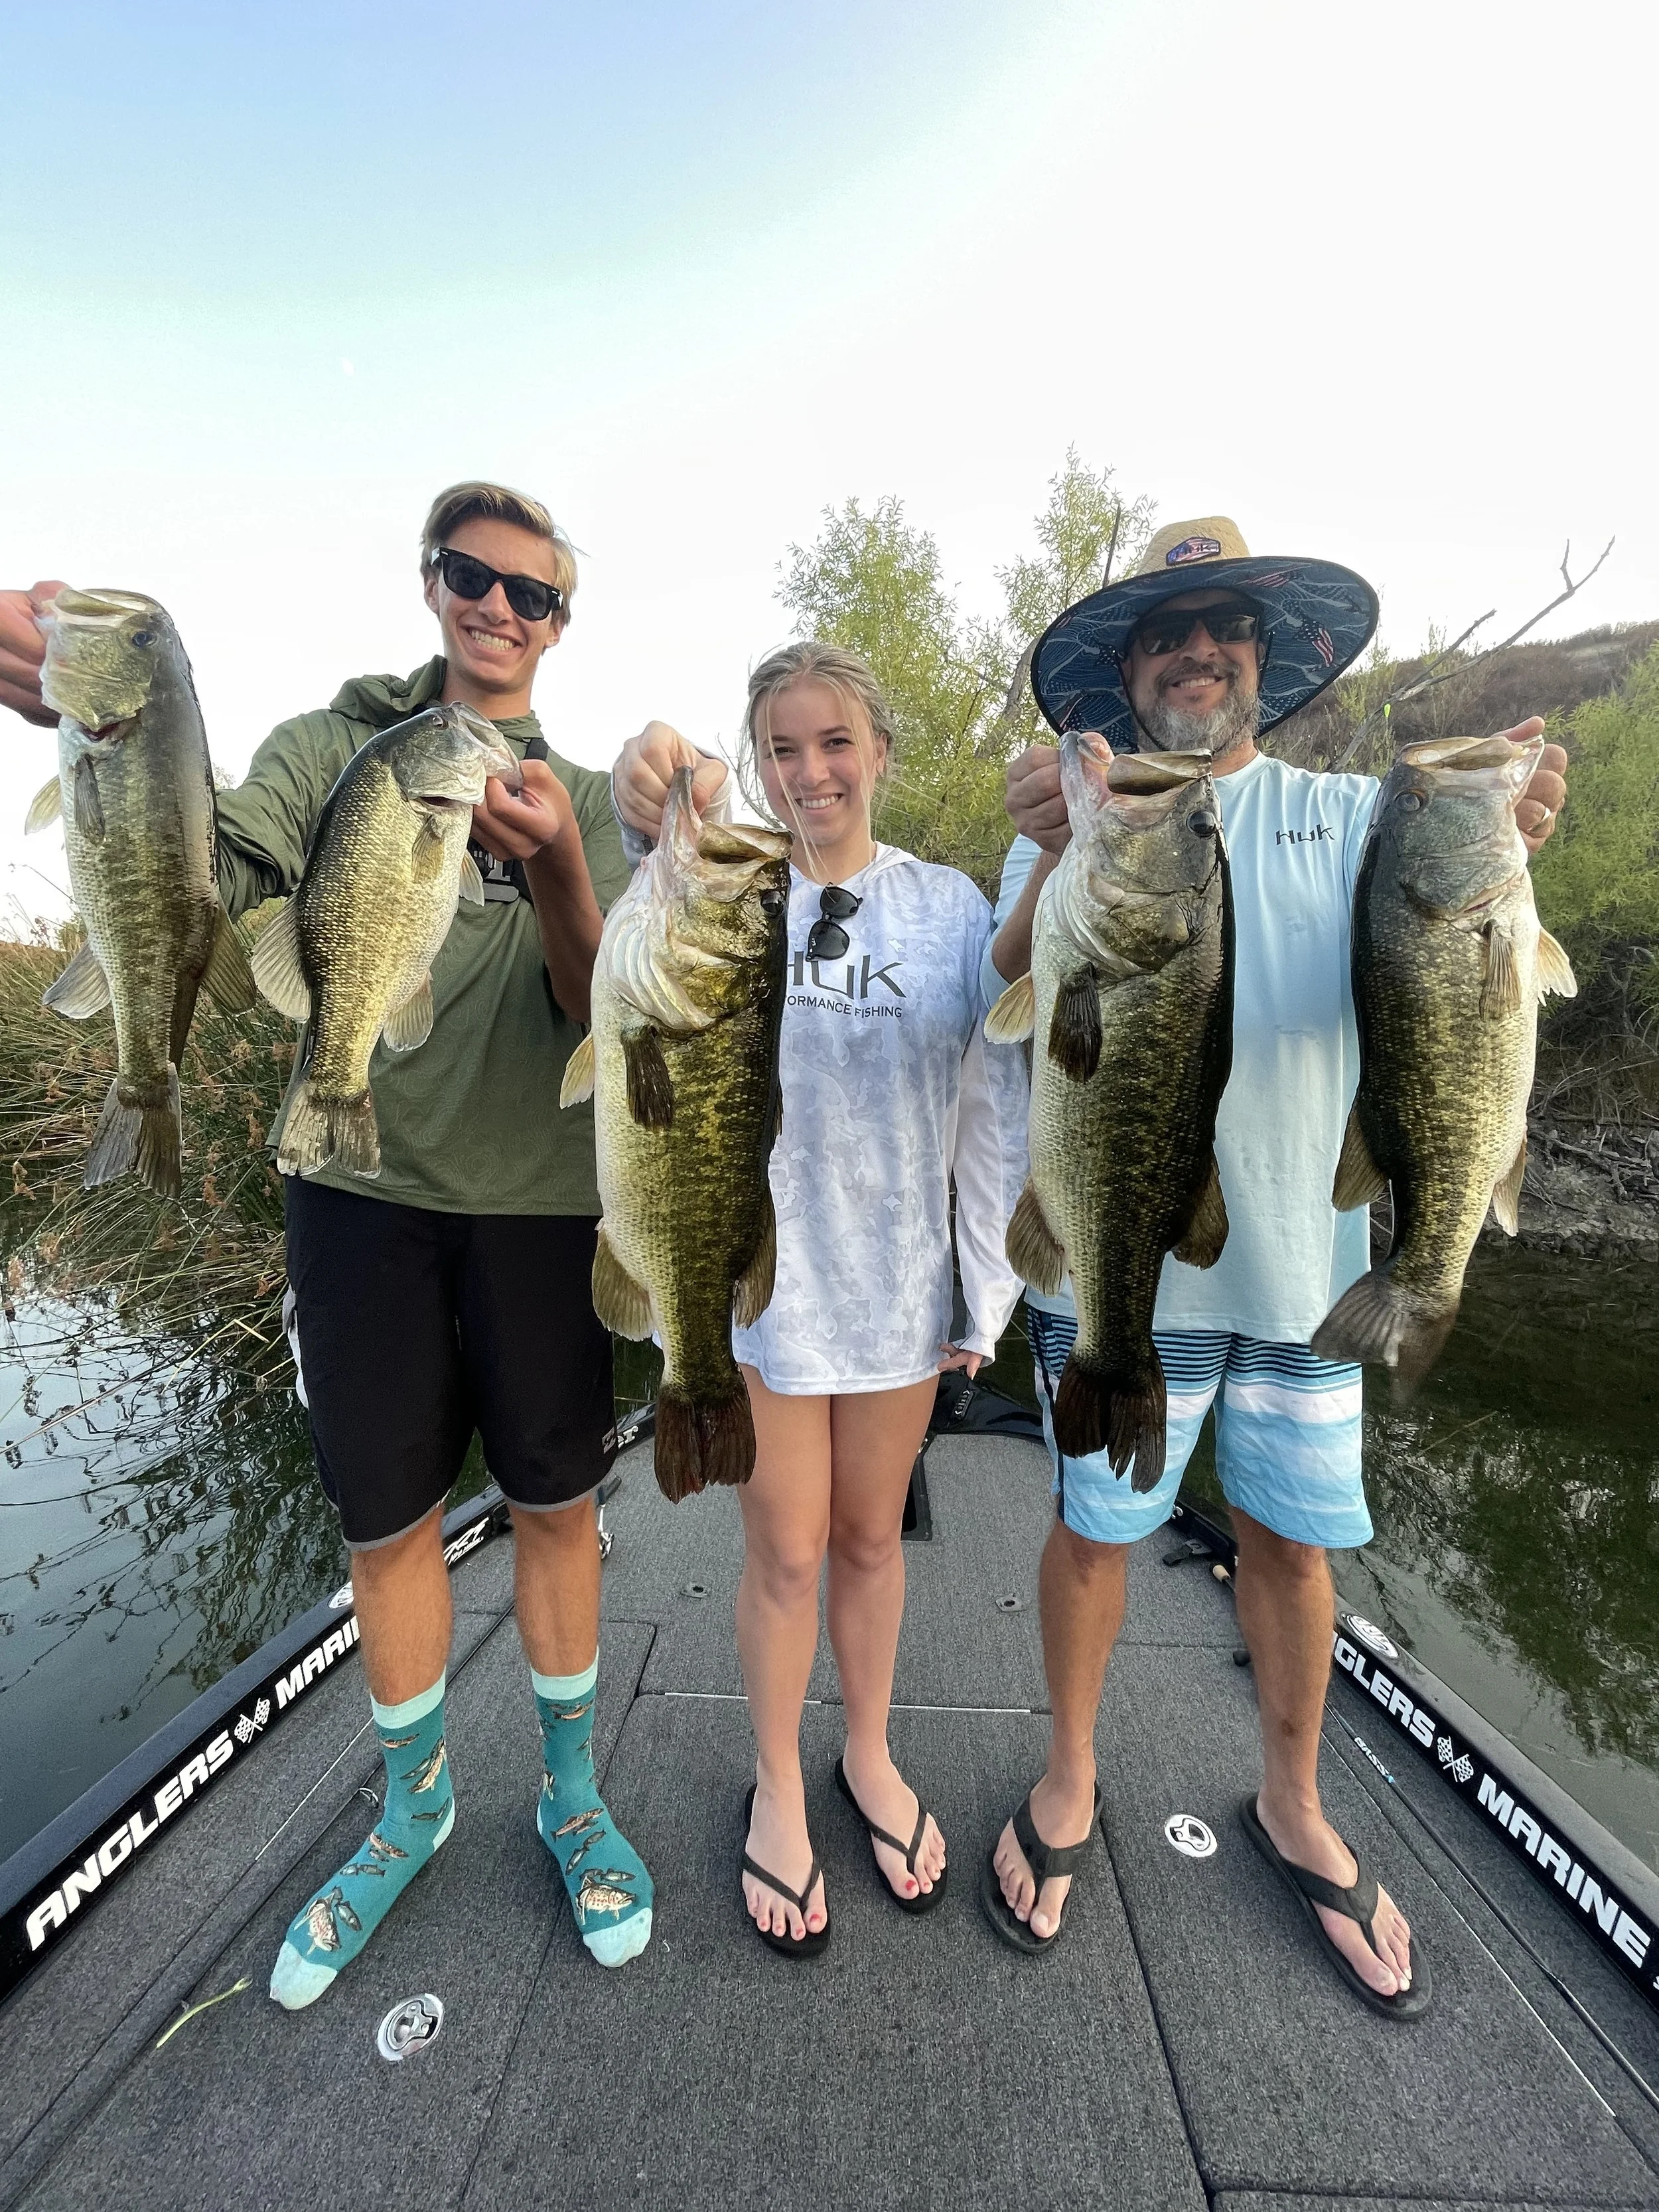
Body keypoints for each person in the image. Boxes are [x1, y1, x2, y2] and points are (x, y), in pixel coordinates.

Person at [0, 482, 685, 2002]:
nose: (496, 608)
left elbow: (601, 1008)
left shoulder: (576, 791)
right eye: (469, 576)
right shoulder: (335, 750)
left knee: (557, 1506)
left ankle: (570, 1795)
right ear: (431, 584)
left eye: (529, 592)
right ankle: (410, 1806)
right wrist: (111, 738)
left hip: (537, 1210)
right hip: (353, 1198)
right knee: (382, 1524)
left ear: (561, 621)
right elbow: (214, 880)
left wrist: (567, 864)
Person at [979, 517, 1568, 2017]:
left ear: (1263, 660)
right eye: (1167, 630)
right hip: (1120, 1260)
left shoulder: (1354, 814)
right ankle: (1066, 1775)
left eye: (1222, 628)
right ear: (1125, 672)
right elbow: (1000, 983)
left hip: (1308, 1265)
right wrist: (1048, 847)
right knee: (1094, 1530)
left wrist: (1509, 833)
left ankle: (1292, 1800)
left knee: (1291, 1549)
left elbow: (1444, 961)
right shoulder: (1078, 805)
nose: (1196, 650)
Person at [612, 643, 1028, 1953]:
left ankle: (868, 1753)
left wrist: (985, 1288)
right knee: (783, 1547)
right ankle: (780, 1781)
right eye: (781, 748)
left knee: (865, 1541)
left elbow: (990, 1107)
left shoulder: (952, 907)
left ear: (878, 753)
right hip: (765, 1286)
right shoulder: (729, 889)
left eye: (833, 743)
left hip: (901, 1283)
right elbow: (647, 981)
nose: (809, 773)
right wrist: (661, 799)